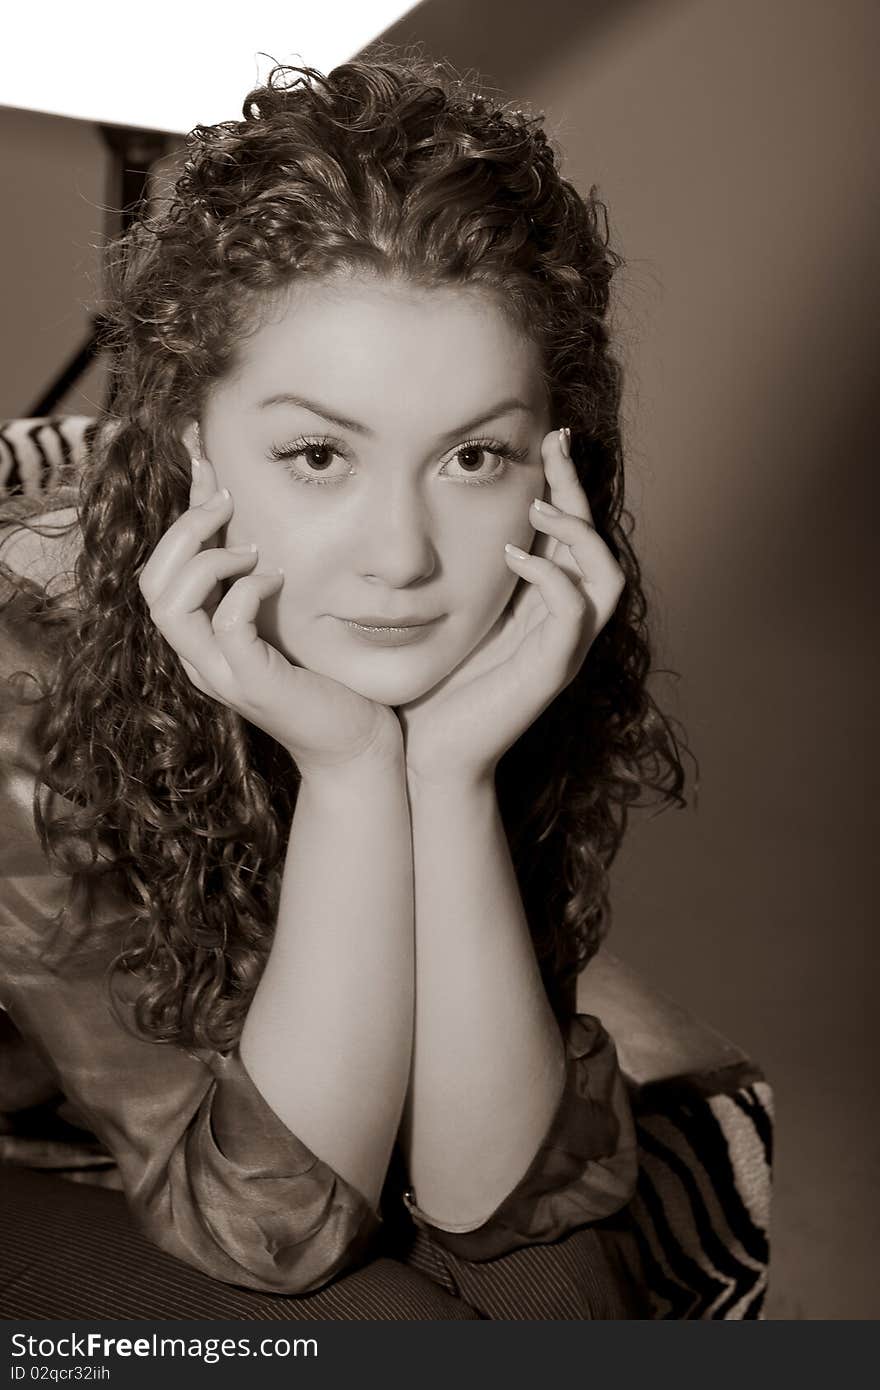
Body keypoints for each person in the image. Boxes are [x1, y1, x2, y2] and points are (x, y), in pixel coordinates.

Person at [0, 51, 690, 1319]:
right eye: (318, 453)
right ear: (190, 448)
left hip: (268, 1118)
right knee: (386, 1329)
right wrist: (351, 763)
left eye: (472, 456)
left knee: (559, 1286)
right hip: (37, 1145)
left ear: (551, 464)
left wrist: (436, 768)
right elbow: (272, 1231)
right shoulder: (21, 669)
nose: (402, 558)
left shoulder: (509, 627)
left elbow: (507, 1189)